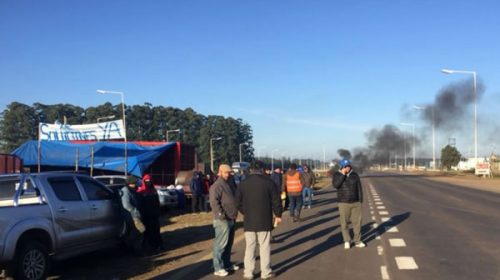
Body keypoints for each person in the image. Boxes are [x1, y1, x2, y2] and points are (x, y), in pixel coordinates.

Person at [236, 164, 282, 280]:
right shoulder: (269, 183)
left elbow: (237, 203)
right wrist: (278, 214)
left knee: (250, 247)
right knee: (264, 247)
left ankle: (248, 273)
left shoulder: (243, 184)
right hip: (264, 219)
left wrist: (245, 212)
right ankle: (265, 272)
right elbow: (276, 201)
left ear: (250, 170)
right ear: (261, 170)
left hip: (249, 220)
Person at [209, 164, 240, 277]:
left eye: (229, 172)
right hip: (222, 219)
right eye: (226, 172)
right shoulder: (217, 186)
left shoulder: (229, 184)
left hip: (231, 217)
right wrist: (221, 215)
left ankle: (227, 264)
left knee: (228, 244)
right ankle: (218, 267)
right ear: (220, 172)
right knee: (220, 245)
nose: (228, 174)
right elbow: (214, 202)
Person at [333, 159, 366, 249]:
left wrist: (360, 200)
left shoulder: (354, 175)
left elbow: (359, 188)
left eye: (348, 166)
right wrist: (343, 174)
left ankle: (357, 241)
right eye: (345, 166)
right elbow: (336, 185)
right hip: (343, 203)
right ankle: (347, 240)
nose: (347, 167)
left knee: (357, 223)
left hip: (356, 203)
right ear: (341, 167)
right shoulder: (337, 175)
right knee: (344, 223)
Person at [137, 174, 163, 251]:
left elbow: (157, 202)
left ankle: (158, 244)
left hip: (154, 214)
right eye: (146, 181)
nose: (148, 183)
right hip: (146, 215)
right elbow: (140, 204)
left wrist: (158, 211)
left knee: (156, 230)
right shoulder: (141, 192)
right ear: (144, 182)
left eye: (149, 181)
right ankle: (149, 246)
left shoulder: (154, 191)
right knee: (148, 231)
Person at [120, 176, 145, 254]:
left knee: (135, 232)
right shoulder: (125, 191)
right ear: (129, 183)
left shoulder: (131, 190)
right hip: (131, 216)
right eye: (134, 183)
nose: (135, 185)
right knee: (140, 230)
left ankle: (133, 249)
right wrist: (135, 211)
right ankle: (135, 250)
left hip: (133, 216)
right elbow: (126, 205)